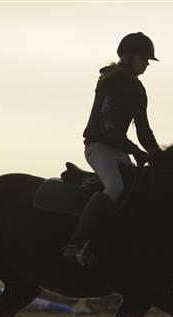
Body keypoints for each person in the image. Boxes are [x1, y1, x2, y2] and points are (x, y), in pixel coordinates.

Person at [63, 32, 161, 266]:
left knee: (136, 189)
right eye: (144, 58)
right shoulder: (112, 81)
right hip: (98, 147)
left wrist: (159, 155)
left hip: (118, 149)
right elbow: (109, 128)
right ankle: (77, 243)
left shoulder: (138, 89)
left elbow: (144, 129)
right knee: (116, 186)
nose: (147, 63)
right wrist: (136, 151)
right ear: (128, 57)